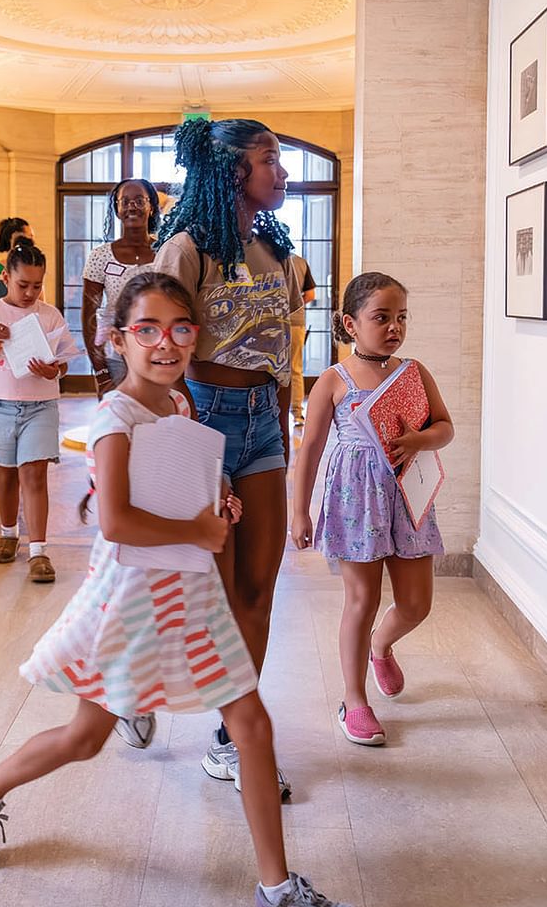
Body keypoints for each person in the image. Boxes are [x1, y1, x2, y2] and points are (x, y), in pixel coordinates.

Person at [0, 271, 359, 907]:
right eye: (147, 329)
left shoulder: (180, 406)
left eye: (180, 329)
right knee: (86, 738)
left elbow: (182, 487)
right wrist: (198, 528)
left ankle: (276, 891)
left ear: (195, 338)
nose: (165, 343)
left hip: (192, 591)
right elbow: (114, 522)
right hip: (134, 599)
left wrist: (215, 503)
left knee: (251, 725)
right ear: (118, 339)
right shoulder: (116, 417)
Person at [153, 117, 301, 798]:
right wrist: (182, 437)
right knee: (207, 594)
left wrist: (285, 424)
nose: (282, 171)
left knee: (257, 592)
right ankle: (133, 688)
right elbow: (157, 355)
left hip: (263, 424)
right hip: (202, 419)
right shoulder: (186, 248)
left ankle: (230, 738)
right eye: (270, 159)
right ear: (232, 170)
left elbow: (283, 349)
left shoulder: (276, 248)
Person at [290, 272, 454, 745]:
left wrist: (420, 438)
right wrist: (300, 511)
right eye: (381, 317)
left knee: (416, 604)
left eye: (401, 317)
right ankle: (354, 700)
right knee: (361, 602)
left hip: (407, 497)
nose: (393, 327)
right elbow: (310, 450)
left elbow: (444, 427)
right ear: (350, 322)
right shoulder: (333, 381)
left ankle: (381, 646)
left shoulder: (414, 373)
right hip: (356, 500)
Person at [0, 241, 76, 577]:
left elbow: (63, 363)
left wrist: (52, 370)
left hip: (40, 406)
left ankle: (39, 552)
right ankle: (8, 533)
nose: (30, 293)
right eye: (23, 284)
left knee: (35, 475)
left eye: (37, 285)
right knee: (6, 475)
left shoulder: (49, 315)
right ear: (6, 278)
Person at [82, 178, 161, 398]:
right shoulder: (100, 256)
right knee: (117, 426)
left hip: (157, 354)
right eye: (124, 201)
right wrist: (101, 370)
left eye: (139, 200)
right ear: (117, 209)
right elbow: (89, 316)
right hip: (115, 357)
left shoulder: (166, 251)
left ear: (151, 207)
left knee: (155, 423)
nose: (132, 206)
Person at [288, 253, 317, 428]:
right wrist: (295, 304)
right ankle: (297, 414)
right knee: (295, 368)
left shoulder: (267, 258)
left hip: (269, 322)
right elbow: (311, 294)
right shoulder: (300, 262)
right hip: (296, 322)